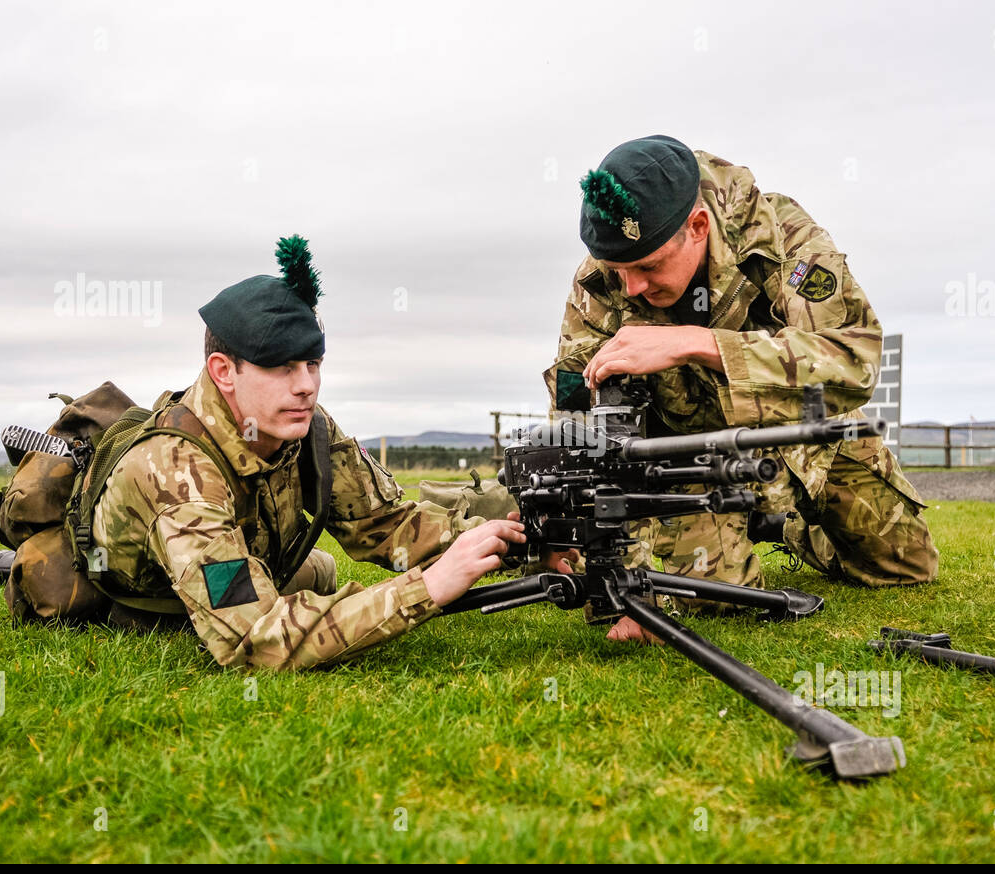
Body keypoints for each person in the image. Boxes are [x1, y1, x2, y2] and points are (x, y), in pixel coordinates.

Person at [545, 135, 938, 643]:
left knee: (906, 566)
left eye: (647, 267)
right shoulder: (599, 283)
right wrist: (605, 554)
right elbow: (578, 417)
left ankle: (781, 526)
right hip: (681, 468)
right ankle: (724, 529)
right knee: (720, 597)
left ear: (698, 227)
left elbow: (852, 362)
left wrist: (702, 344)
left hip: (802, 442)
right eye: (620, 271)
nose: (631, 288)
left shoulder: (784, 239)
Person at [89, 246, 543, 670]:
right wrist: (429, 587)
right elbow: (256, 638)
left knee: (320, 572)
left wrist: (515, 544)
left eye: (313, 364)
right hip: (150, 593)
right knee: (297, 590)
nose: (306, 384)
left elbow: (384, 524)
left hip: (259, 559)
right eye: (282, 367)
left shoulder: (302, 424)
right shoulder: (175, 470)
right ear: (224, 372)